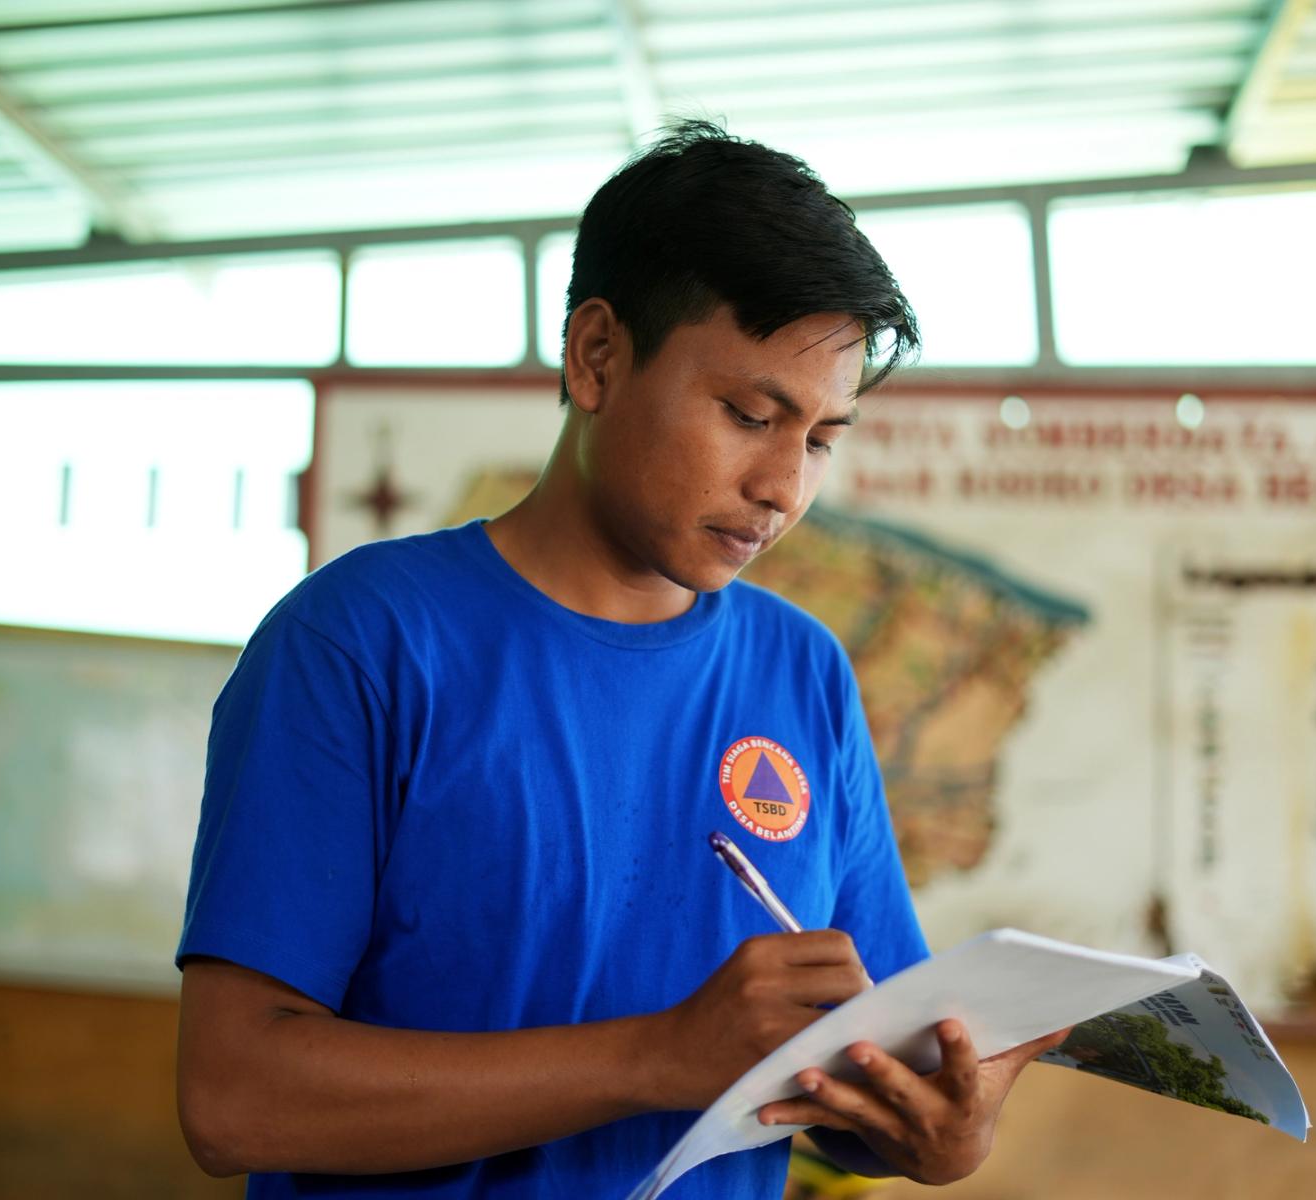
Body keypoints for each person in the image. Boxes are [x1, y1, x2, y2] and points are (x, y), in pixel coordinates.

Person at [175, 120, 1064, 1199]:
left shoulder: (804, 675)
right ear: (597, 357)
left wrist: (937, 1134)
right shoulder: (362, 643)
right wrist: (653, 1058)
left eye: (823, 438)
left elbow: (844, 1079)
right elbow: (233, 1097)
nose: (784, 486)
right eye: (748, 414)